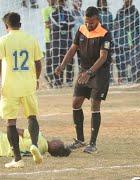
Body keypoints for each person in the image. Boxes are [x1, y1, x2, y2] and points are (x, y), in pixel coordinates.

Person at [55, 6, 112, 154]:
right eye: (86, 22)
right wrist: (62, 66)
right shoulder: (81, 29)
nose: (88, 25)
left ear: (97, 19)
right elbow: (73, 49)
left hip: (99, 72)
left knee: (95, 104)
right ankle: (80, 140)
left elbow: (103, 57)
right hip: (84, 71)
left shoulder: (105, 33)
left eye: (91, 22)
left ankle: (92, 144)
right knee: (76, 102)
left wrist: (90, 72)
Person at [0, 12, 43, 168]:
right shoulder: (31, 39)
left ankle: (17, 159)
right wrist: (36, 79)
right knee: (32, 117)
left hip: (10, 87)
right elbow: (38, 63)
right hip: (28, 85)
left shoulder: (2, 41)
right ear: (20, 24)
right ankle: (34, 144)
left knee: (11, 122)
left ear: (6, 26)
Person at [114, 0, 140, 84]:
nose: (127, 1)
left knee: (135, 58)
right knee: (121, 59)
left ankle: (136, 77)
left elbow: (137, 25)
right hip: (122, 38)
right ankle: (122, 77)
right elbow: (116, 24)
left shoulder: (135, 11)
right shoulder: (120, 12)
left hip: (132, 37)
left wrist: (137, 39)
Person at [50, 0, 75, 87]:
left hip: (67, 41)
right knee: (57, 61)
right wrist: (64, 25)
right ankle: (57, 81)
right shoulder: (53, 14)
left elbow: (73, 22)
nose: (59, 4)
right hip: (57, 41)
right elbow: (55, 24)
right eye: (58, 2)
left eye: (61, 2)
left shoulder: (67, 13)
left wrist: (65, 24)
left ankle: (69, 80)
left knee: (69, 60)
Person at [97, 0, 114, 84]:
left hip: (107, 39)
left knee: (108, 57)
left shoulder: (109, 14)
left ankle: (110, 77)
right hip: (98, 39)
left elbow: (111, 27)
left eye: (104, 2)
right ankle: (99, 77)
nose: (102, 4)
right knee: (98, 58)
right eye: (101, 2)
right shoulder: (96, 15)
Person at [42, 0, 56, 88]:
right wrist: (58, 25)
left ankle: (55, 79)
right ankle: (48, 75)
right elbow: (47, 24)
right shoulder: (45, 10)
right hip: (49, 38)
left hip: (58, 38)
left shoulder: (59, 9)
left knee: (57, 59)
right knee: (49, 58)